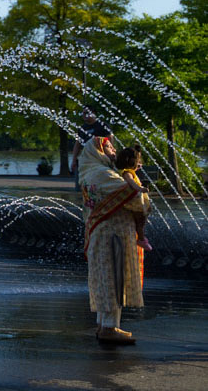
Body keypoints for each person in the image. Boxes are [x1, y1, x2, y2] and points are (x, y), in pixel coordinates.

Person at [78, 136, 145, 344]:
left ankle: (104, 324)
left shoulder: (91, 171)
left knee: (106, 278)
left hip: (103, 232)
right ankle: (109, 327)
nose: (113, 150)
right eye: (108, 147)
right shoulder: (103, 174)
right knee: (113, 278)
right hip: (112, 234)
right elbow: (136, 199)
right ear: (97, 150)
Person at [115, 145, 153, 251]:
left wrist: (137, 167)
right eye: (137, 161)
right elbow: (132, 183)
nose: (139, 163)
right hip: (135, 202)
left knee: (141, 220)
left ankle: (141, 237)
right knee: (140, 222)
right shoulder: (127, 173)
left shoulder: (126, 170)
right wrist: (140, 189)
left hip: (137, 200)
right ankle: (141, 239)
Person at [72, 105, 113, 190]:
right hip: (87, 158)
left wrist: (110, 154)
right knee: (86, 180)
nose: (84, 115)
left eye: (86, 113)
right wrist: (74, 159)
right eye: (82, 113)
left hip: (100, 158)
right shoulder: (82, 128)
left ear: (93, 113)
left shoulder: (102, 125)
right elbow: (77, 144)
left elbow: (110, 140)